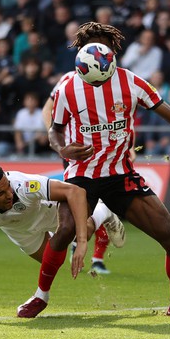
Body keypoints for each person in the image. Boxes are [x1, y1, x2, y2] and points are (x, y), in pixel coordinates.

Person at [41, 21, 170, 319]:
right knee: (64, 232)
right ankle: (40, 296)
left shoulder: (132, 82)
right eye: (93, 48)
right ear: (83, 53)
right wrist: (61, 148)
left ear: (113, 50)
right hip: (81, 174)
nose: (101, 53)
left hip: (121, 174)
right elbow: (54, 130)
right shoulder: (67, 84)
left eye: (106, 47)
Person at [0, 162, 125, 316]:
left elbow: (75, 192)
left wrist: (82, 242)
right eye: (0, 193)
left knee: (80, 231)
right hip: (20, 231)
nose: (9, 194)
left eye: (7, 187)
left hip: (50, 211)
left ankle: (103, 212)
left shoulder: (23, 183)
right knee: (50, 262)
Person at [42, 70, 125, 275]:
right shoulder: (68, 80)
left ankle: (97, 257)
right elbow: (48, 109)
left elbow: (122, 116)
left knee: (77, 218)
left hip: (108, 154)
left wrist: (128, 146)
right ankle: (101, 216)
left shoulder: (116, 81)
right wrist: (56, 139)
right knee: (74, 220)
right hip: (78, 154)